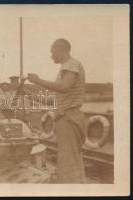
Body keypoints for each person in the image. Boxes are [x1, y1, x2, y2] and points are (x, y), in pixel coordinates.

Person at [27, 38, 86, 183]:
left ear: (61, 50)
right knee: (71, 158)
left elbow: (64, 87)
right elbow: (55, 99)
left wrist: (37, 80)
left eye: (52, 52)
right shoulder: (65, 68)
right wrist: (30, 95)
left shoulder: (71, 64)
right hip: (66, 117)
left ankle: (69, 188)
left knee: (67, 159)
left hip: (69, 117)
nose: (51, 56)